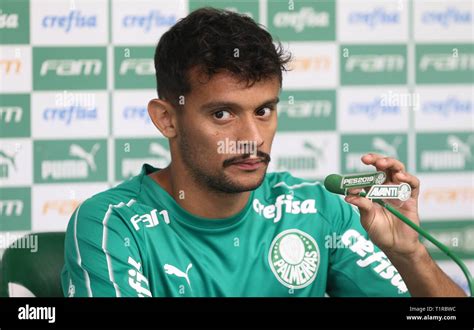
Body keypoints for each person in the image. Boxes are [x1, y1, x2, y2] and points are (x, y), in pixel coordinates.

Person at [61, 8, 466, 297]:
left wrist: (409, 255)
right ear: (167, 119)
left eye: (264, 110)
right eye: (222, 113)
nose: (252, 137)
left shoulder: (318, 211)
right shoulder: (112, 224)